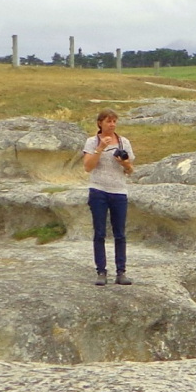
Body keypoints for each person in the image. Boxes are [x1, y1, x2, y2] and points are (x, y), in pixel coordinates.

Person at [82, 110, 134, 285]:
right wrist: (100, 149)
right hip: (98, 191)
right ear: (100, 123)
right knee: (100, 233)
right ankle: (101, 272)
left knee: (120, 234)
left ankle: (121, 272)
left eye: (114, 121)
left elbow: (130, 169)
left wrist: (124, 162)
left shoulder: (123, 141)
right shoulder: (92, 141)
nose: (112, 124)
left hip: (119, 191)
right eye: (108, 121)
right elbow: (88, 167)